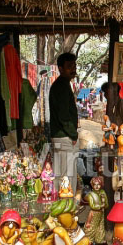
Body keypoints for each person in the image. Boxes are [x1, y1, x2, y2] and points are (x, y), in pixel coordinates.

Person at [50, 53, 79, 195]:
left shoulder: (63, 85)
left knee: (61, 175)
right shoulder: (61, 86)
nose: (73, 69)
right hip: (64, 137)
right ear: (60, 68)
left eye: (74, 66)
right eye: (69, 66)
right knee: (67, 176)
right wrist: (73, 134)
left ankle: (61, 210)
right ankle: (66, 211)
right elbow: (64, 116)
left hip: (61, 137)